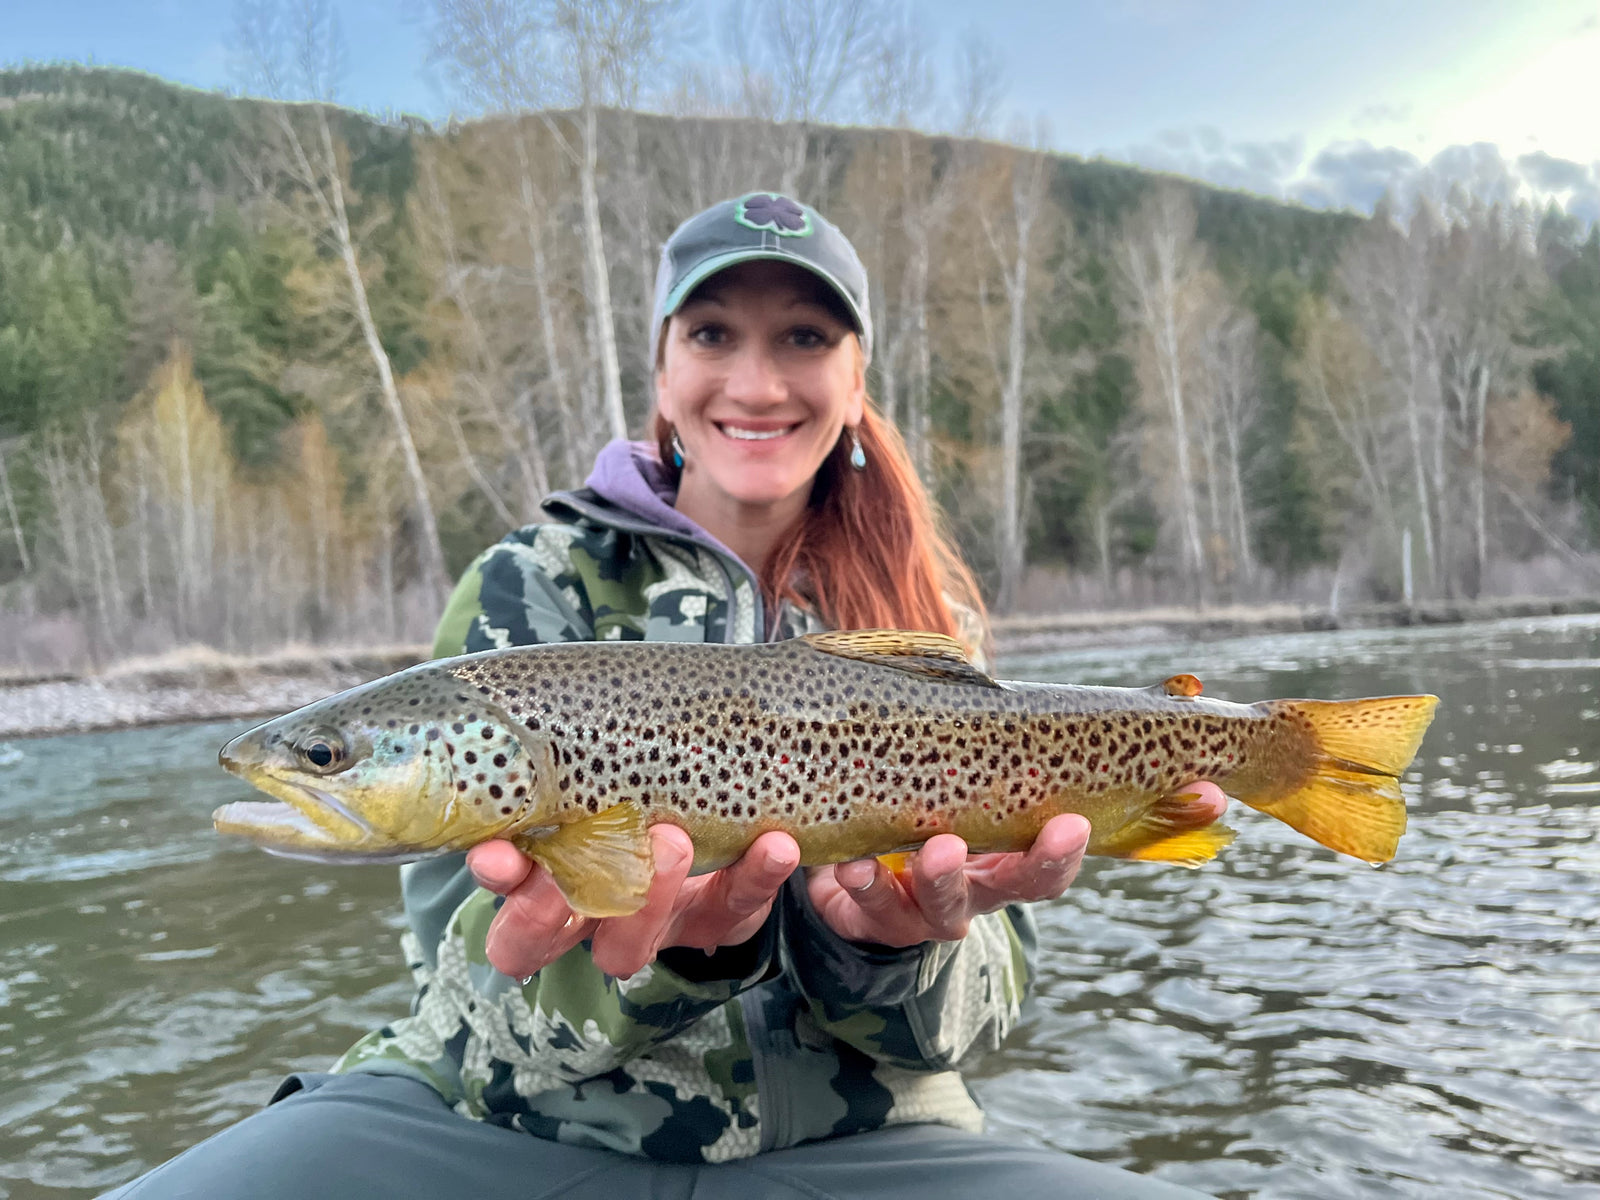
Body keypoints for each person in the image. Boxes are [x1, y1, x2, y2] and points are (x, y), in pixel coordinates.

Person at [104, 194, 1225, 1199]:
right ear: (661, 372)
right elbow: (465, 990)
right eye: (712, 334)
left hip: (864, 1143)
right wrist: (663, 957)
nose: (756, 382)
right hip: (516, 1127)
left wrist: (894, 951)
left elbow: (980, 1014)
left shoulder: (927, 614)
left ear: (856, 379)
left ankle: (1274, 755)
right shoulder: (526, 588)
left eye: (804, 337)